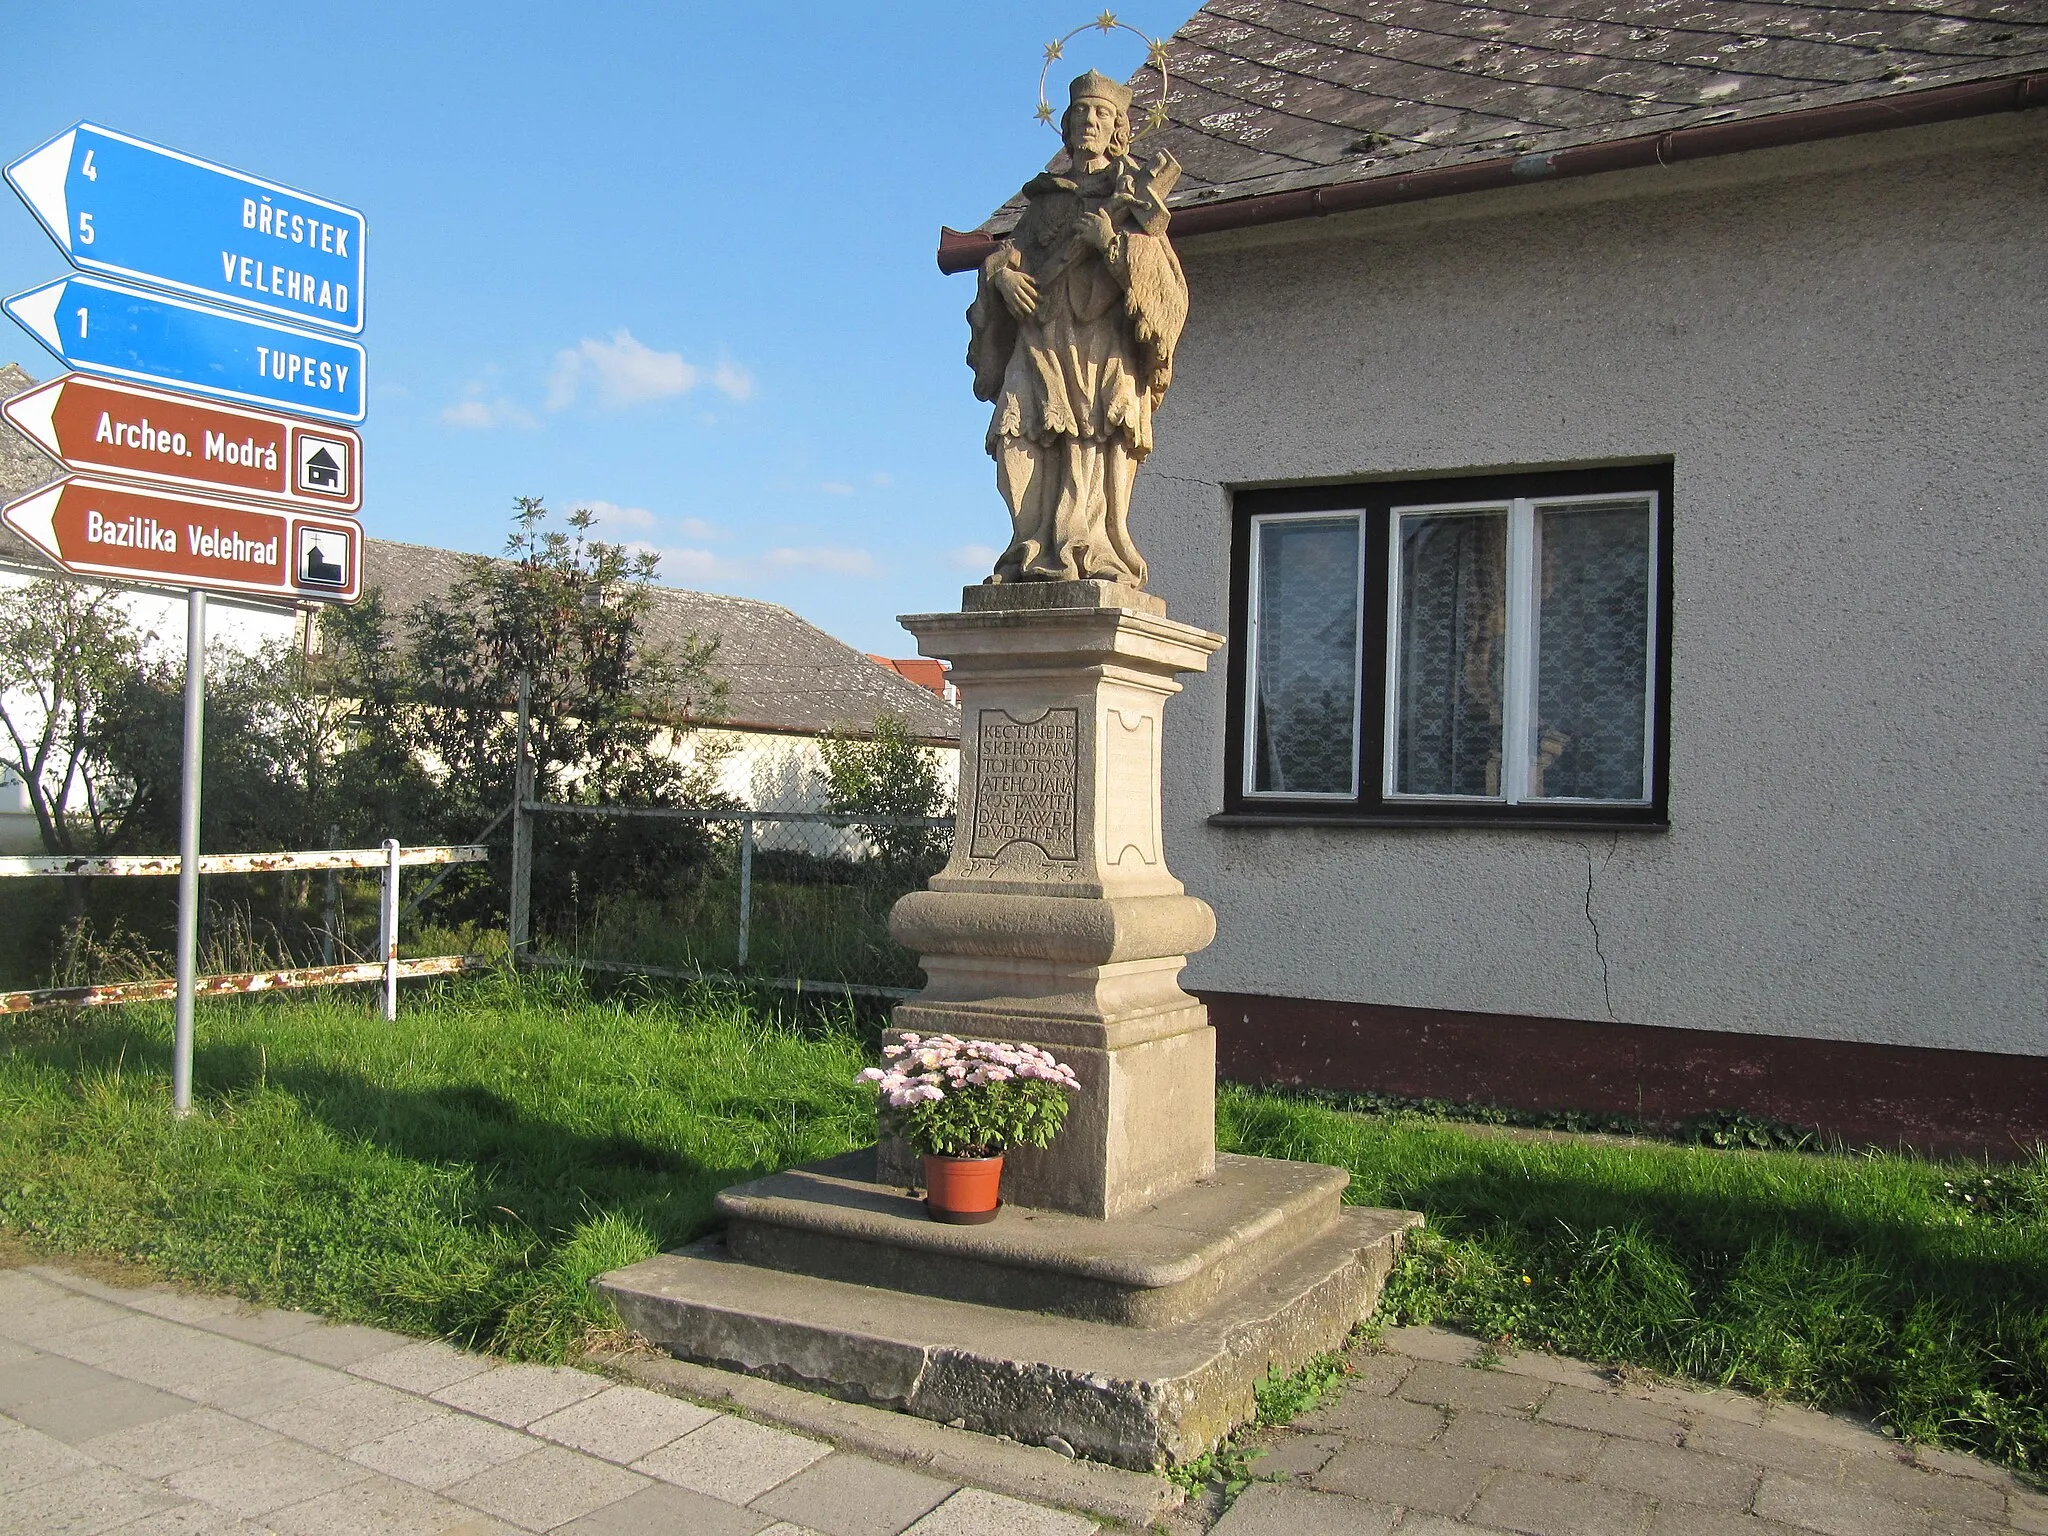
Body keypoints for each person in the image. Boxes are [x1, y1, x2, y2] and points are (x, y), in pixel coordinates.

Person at [968, 69, 1187, 589]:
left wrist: (1113, 243)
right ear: (1065, 126)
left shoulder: (1132, 193)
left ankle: (1092, 544)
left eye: (1101, 113)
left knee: (1099, 434)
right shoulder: (1046, 199)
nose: (1089, 121)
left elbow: (1165, 284)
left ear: (1117, 128)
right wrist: (1002, 278)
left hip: (1101, 344)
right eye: (1080, 112)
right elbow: (1008, 254)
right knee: (1014, 432)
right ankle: (1031, 545)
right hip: (1041, 336)